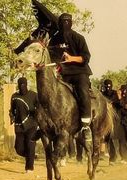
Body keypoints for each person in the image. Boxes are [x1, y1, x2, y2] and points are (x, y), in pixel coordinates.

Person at [48, 13, 93, 143]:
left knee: (83, 92)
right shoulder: (54, 40)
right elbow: (51, 57)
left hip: (80, 72)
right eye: (62, 22)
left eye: (67, 22)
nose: (64, 24)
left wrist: (71, 58)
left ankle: (85, 126)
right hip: (63, 74)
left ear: (71, 23)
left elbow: (86, 57)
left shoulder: (78, 38)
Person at [10, 77, 39, 173]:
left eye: (24, 84)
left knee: (30, 146)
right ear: (18, 85)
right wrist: (12, 116)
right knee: (18, 149)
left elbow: (40, 108)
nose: (22, 87)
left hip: (31, 125)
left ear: (27, 85)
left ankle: (29, 168)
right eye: (20, 85)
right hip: (19, 126)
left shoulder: (34, 95)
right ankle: (31, 155)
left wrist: (36, 114)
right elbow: (12, 110)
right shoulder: (14, 96)